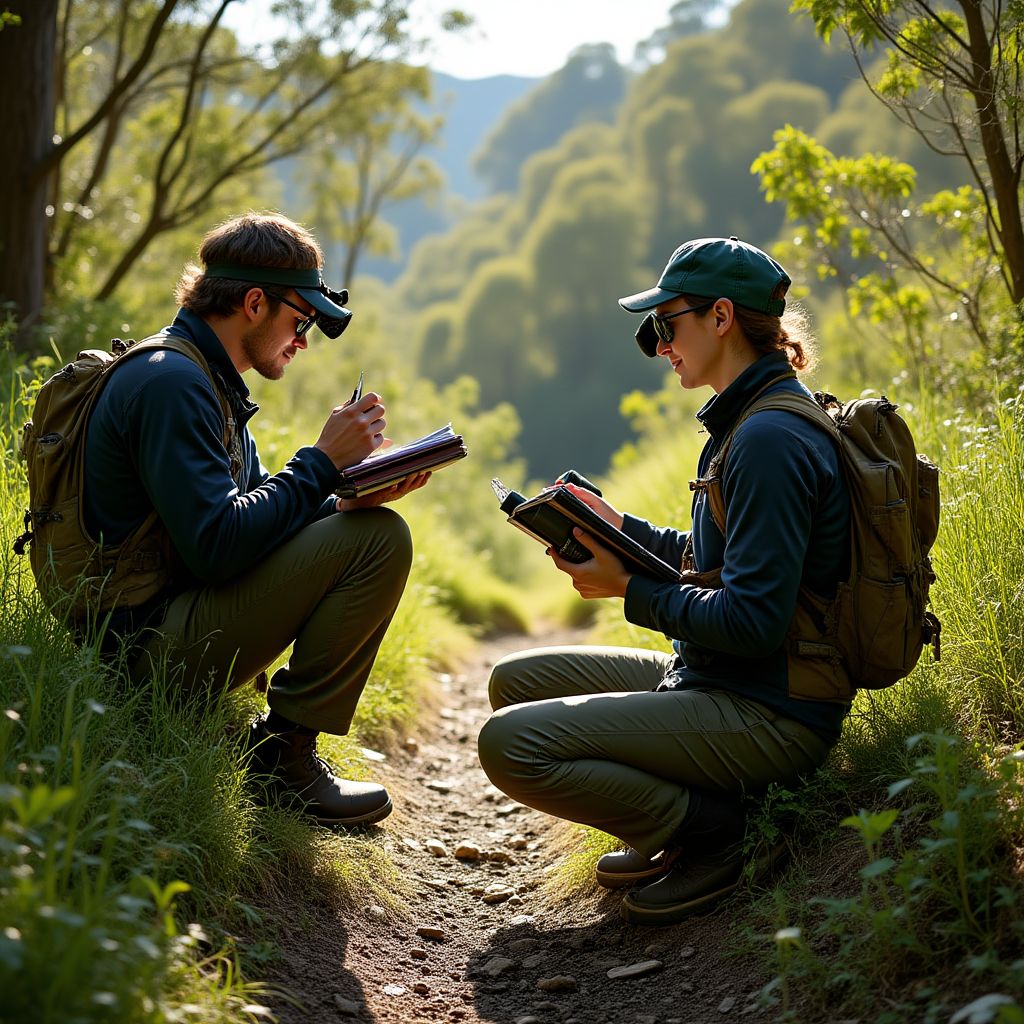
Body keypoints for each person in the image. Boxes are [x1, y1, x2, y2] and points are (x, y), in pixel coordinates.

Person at [477, 236, 853, 924]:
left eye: (664, 325)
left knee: (510, 745)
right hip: (721, 680)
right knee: (514, 684)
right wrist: (617, 525)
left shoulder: (770, 440)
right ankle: (682, 812)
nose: (656, 345)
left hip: (772, 710)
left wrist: (628, 590)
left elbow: (752, 622)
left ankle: (710, 833)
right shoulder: (746, 417)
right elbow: (717, 557)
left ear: (720, 318)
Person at [82, 212, 427, 827]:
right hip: (136, 658)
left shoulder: (204, 378)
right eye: (301, 322)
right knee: (379, 544)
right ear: (253, 303)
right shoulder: (171, 384)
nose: (303, 341)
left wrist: (346, 500)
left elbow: (254, 515)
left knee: (368, 528)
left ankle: (282, 753)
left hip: (170, 623)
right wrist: (320, 463)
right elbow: (218, 547)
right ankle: (282, 767)